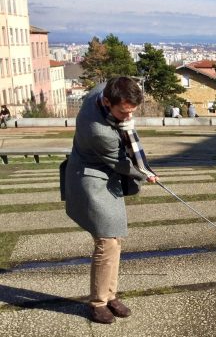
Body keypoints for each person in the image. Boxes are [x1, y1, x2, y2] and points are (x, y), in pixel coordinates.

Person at [64, 76, 158, 324]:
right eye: (123, 112)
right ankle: (97, 303)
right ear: (107, 102)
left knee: (115, 240)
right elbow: (122, 163)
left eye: (132, 112)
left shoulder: (101, 92)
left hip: (106, 176)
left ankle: (110, 294)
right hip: (90, 178)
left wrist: (124, 122)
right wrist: (147, 174)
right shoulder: (98, 131)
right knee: (106, 241)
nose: (128, 118)